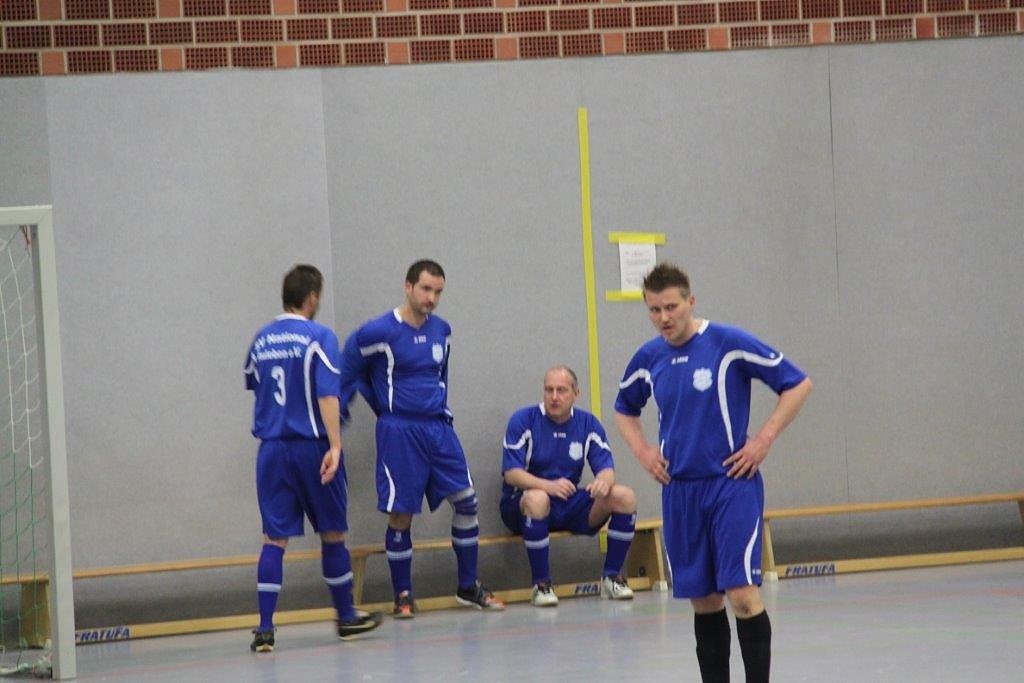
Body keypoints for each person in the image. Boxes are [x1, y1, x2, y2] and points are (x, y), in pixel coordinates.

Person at [614, 263, 812, 683]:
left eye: (671, 307)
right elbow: (624, 408)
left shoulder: (728, 343)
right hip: (680, 491)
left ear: (691, 301)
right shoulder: (649, 357)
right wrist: (644, 451)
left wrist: (763, 439)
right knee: (704, 601)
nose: (664, 318)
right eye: (654, 310)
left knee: (741, 595)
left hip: (730, 486)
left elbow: (797, 384)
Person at [340, 259, 504, 618]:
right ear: (408, 287)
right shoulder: (377, 332)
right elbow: (347, 372)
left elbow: (441, 375)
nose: (432, 298)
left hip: (438, 429)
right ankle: (403, 595)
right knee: (402, 514)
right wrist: (361, 411)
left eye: (438, 292)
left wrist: (440, 409)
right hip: (399, 432)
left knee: (467, 501)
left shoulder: (442, 330)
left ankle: (467, 586)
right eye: (426, 289)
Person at [243, 265, 382, 652]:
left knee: (274, 539)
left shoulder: (261, 339)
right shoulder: (320, 337)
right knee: (333, 532)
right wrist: (335, 446)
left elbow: (255, 383)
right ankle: (346, 617)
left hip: (271, 449)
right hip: (311, 446)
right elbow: (327, 395)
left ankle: (265, 628)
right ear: (313, 297)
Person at [500, 365, 638, 607]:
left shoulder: (588, 423)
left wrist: (603, 483)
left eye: (561, 390)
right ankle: (541, 585)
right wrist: (548, 486)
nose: (554, 397)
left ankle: (612, 578)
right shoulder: (523, 420)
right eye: (549, 390)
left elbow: (607, 470)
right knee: (537, 498)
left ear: (576, 393)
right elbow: (511, 474)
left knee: (624, 496)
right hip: (523, 504)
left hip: (568, 502)